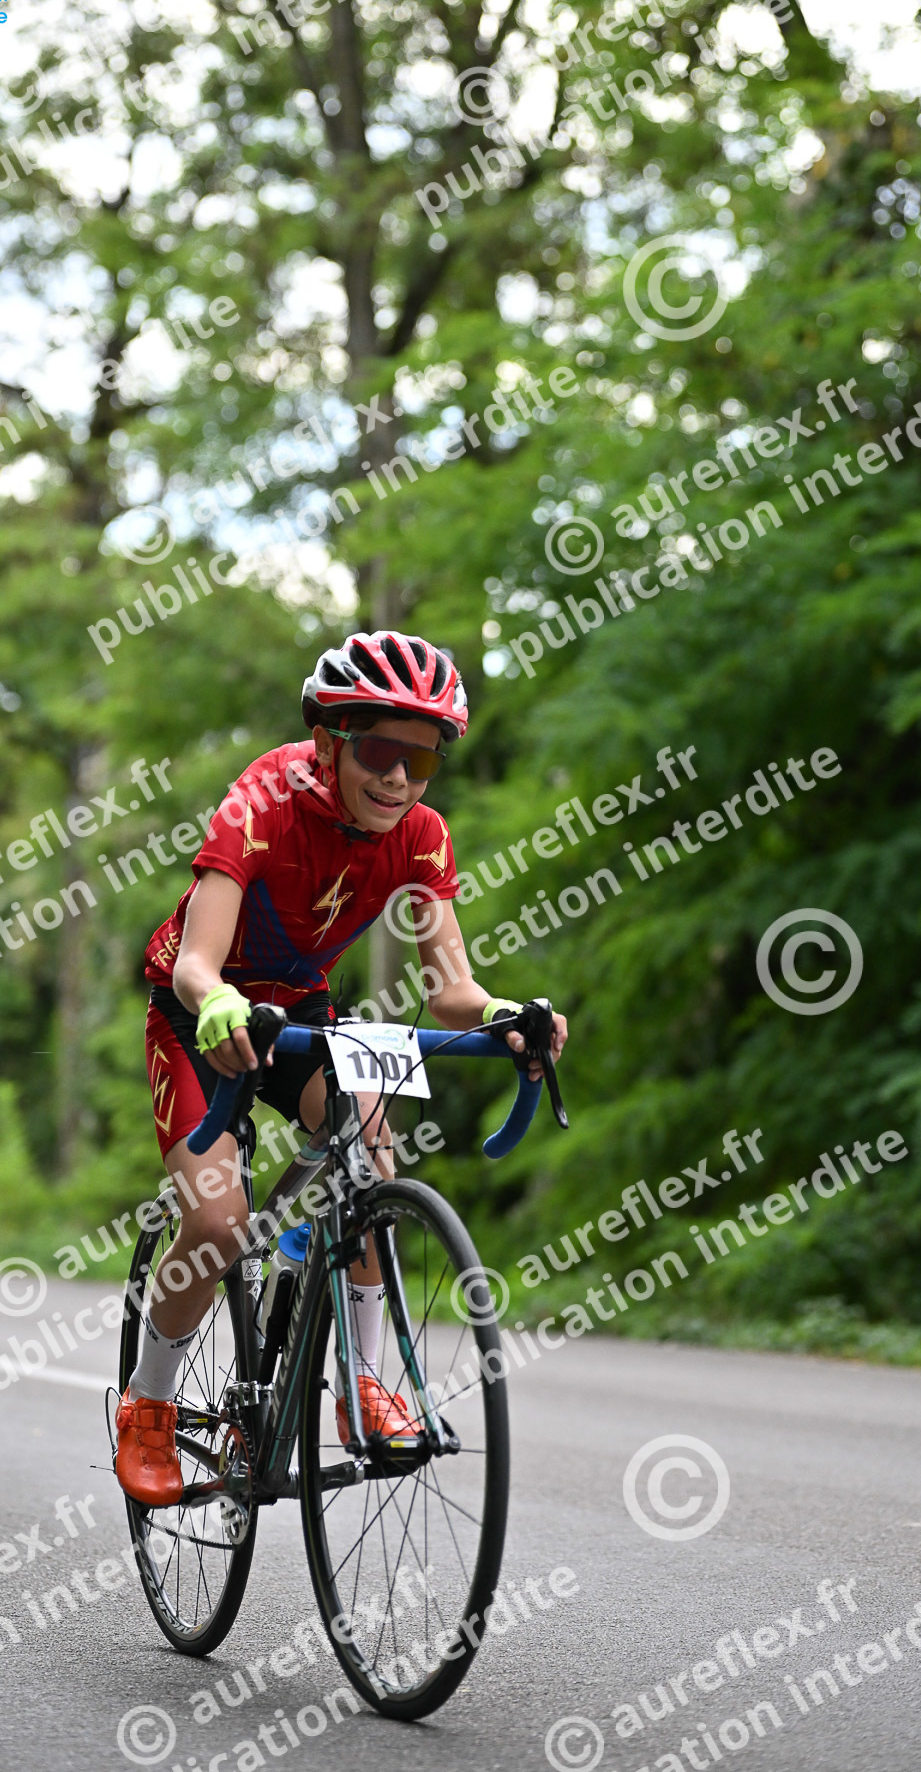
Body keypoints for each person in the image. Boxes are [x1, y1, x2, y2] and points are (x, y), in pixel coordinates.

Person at [115, 630, 567, 1505]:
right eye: (379, 752)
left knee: (369, 1150)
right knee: (218, 1225)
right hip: (198, 1012)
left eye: (421, 760)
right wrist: (216, 1002)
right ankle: (150, 1403)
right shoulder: (262, 800)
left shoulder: (422, 835)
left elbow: (452, 992)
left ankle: (364, 1383)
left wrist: (508, 1018)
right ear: (328, 742)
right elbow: (195, 963)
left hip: (297, 1011)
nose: (399, 779)